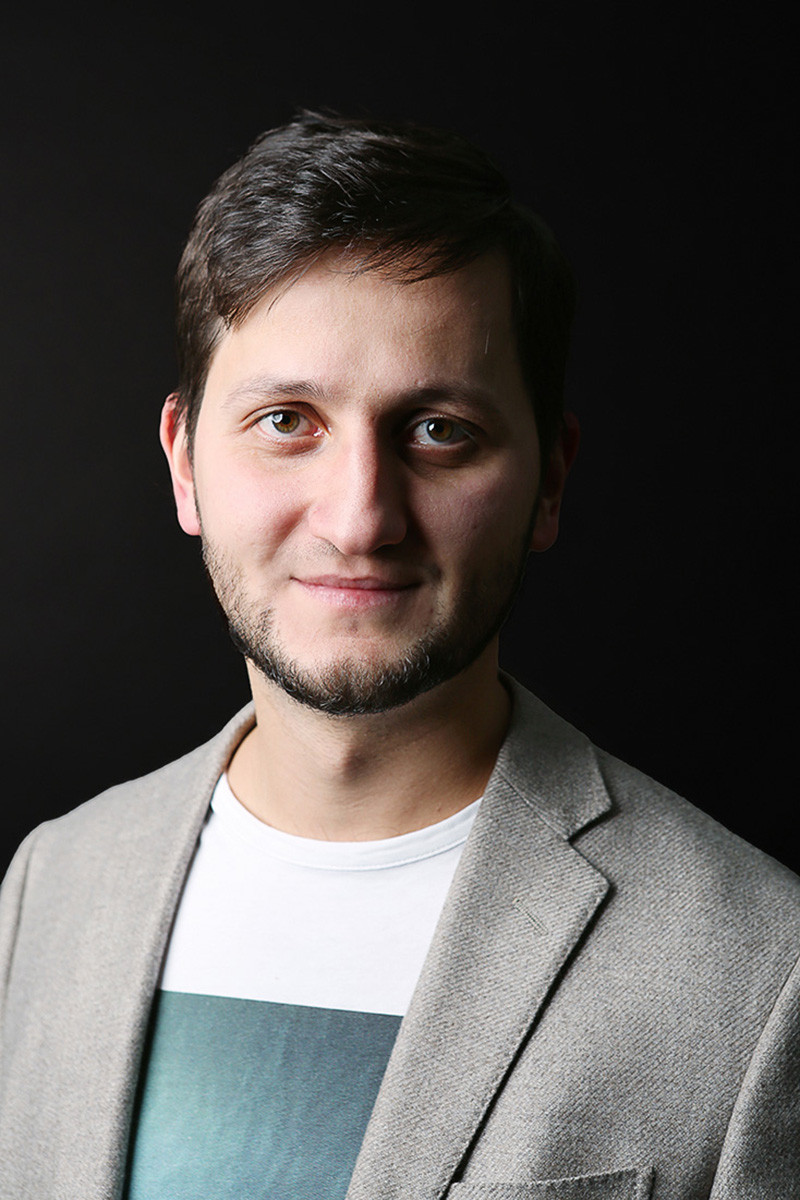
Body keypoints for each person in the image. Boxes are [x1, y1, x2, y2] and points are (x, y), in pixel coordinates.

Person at [0, 110, 798, 1200]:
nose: (360, 520)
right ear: (185, 464)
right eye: (287, 421)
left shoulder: (759, 971)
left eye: (436, 430)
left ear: (549, 480)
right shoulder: (48, 888)